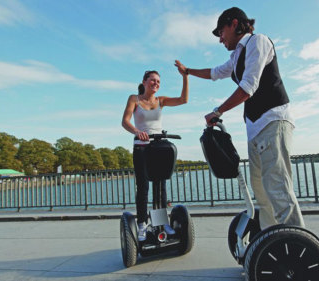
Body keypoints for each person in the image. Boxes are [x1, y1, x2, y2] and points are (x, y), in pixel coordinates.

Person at [175, 7, 304, 229]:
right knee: (262, 194)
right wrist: (188, 72)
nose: (220, 39)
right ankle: (272, 241)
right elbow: (214, 73)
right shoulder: (236, 57)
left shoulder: (258, 42)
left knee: (278, 190)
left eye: (221, 32)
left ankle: (297, 247)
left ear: (234, 24)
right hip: (255, 129)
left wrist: (218, 111)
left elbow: (248, 87)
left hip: (273, 121)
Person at [122, 61, 189, 241]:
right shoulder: (134, 99)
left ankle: (161, 222)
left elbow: (184, 100)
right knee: (143, 186)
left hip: (159, 147)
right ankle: (142, 224)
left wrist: (185, 76)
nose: (156, 83)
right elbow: (125, 121)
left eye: (158, 81)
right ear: (144, 82)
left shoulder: (162, 100)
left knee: (160, 185)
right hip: (142, 148)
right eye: (152, 80)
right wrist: (137, 132)